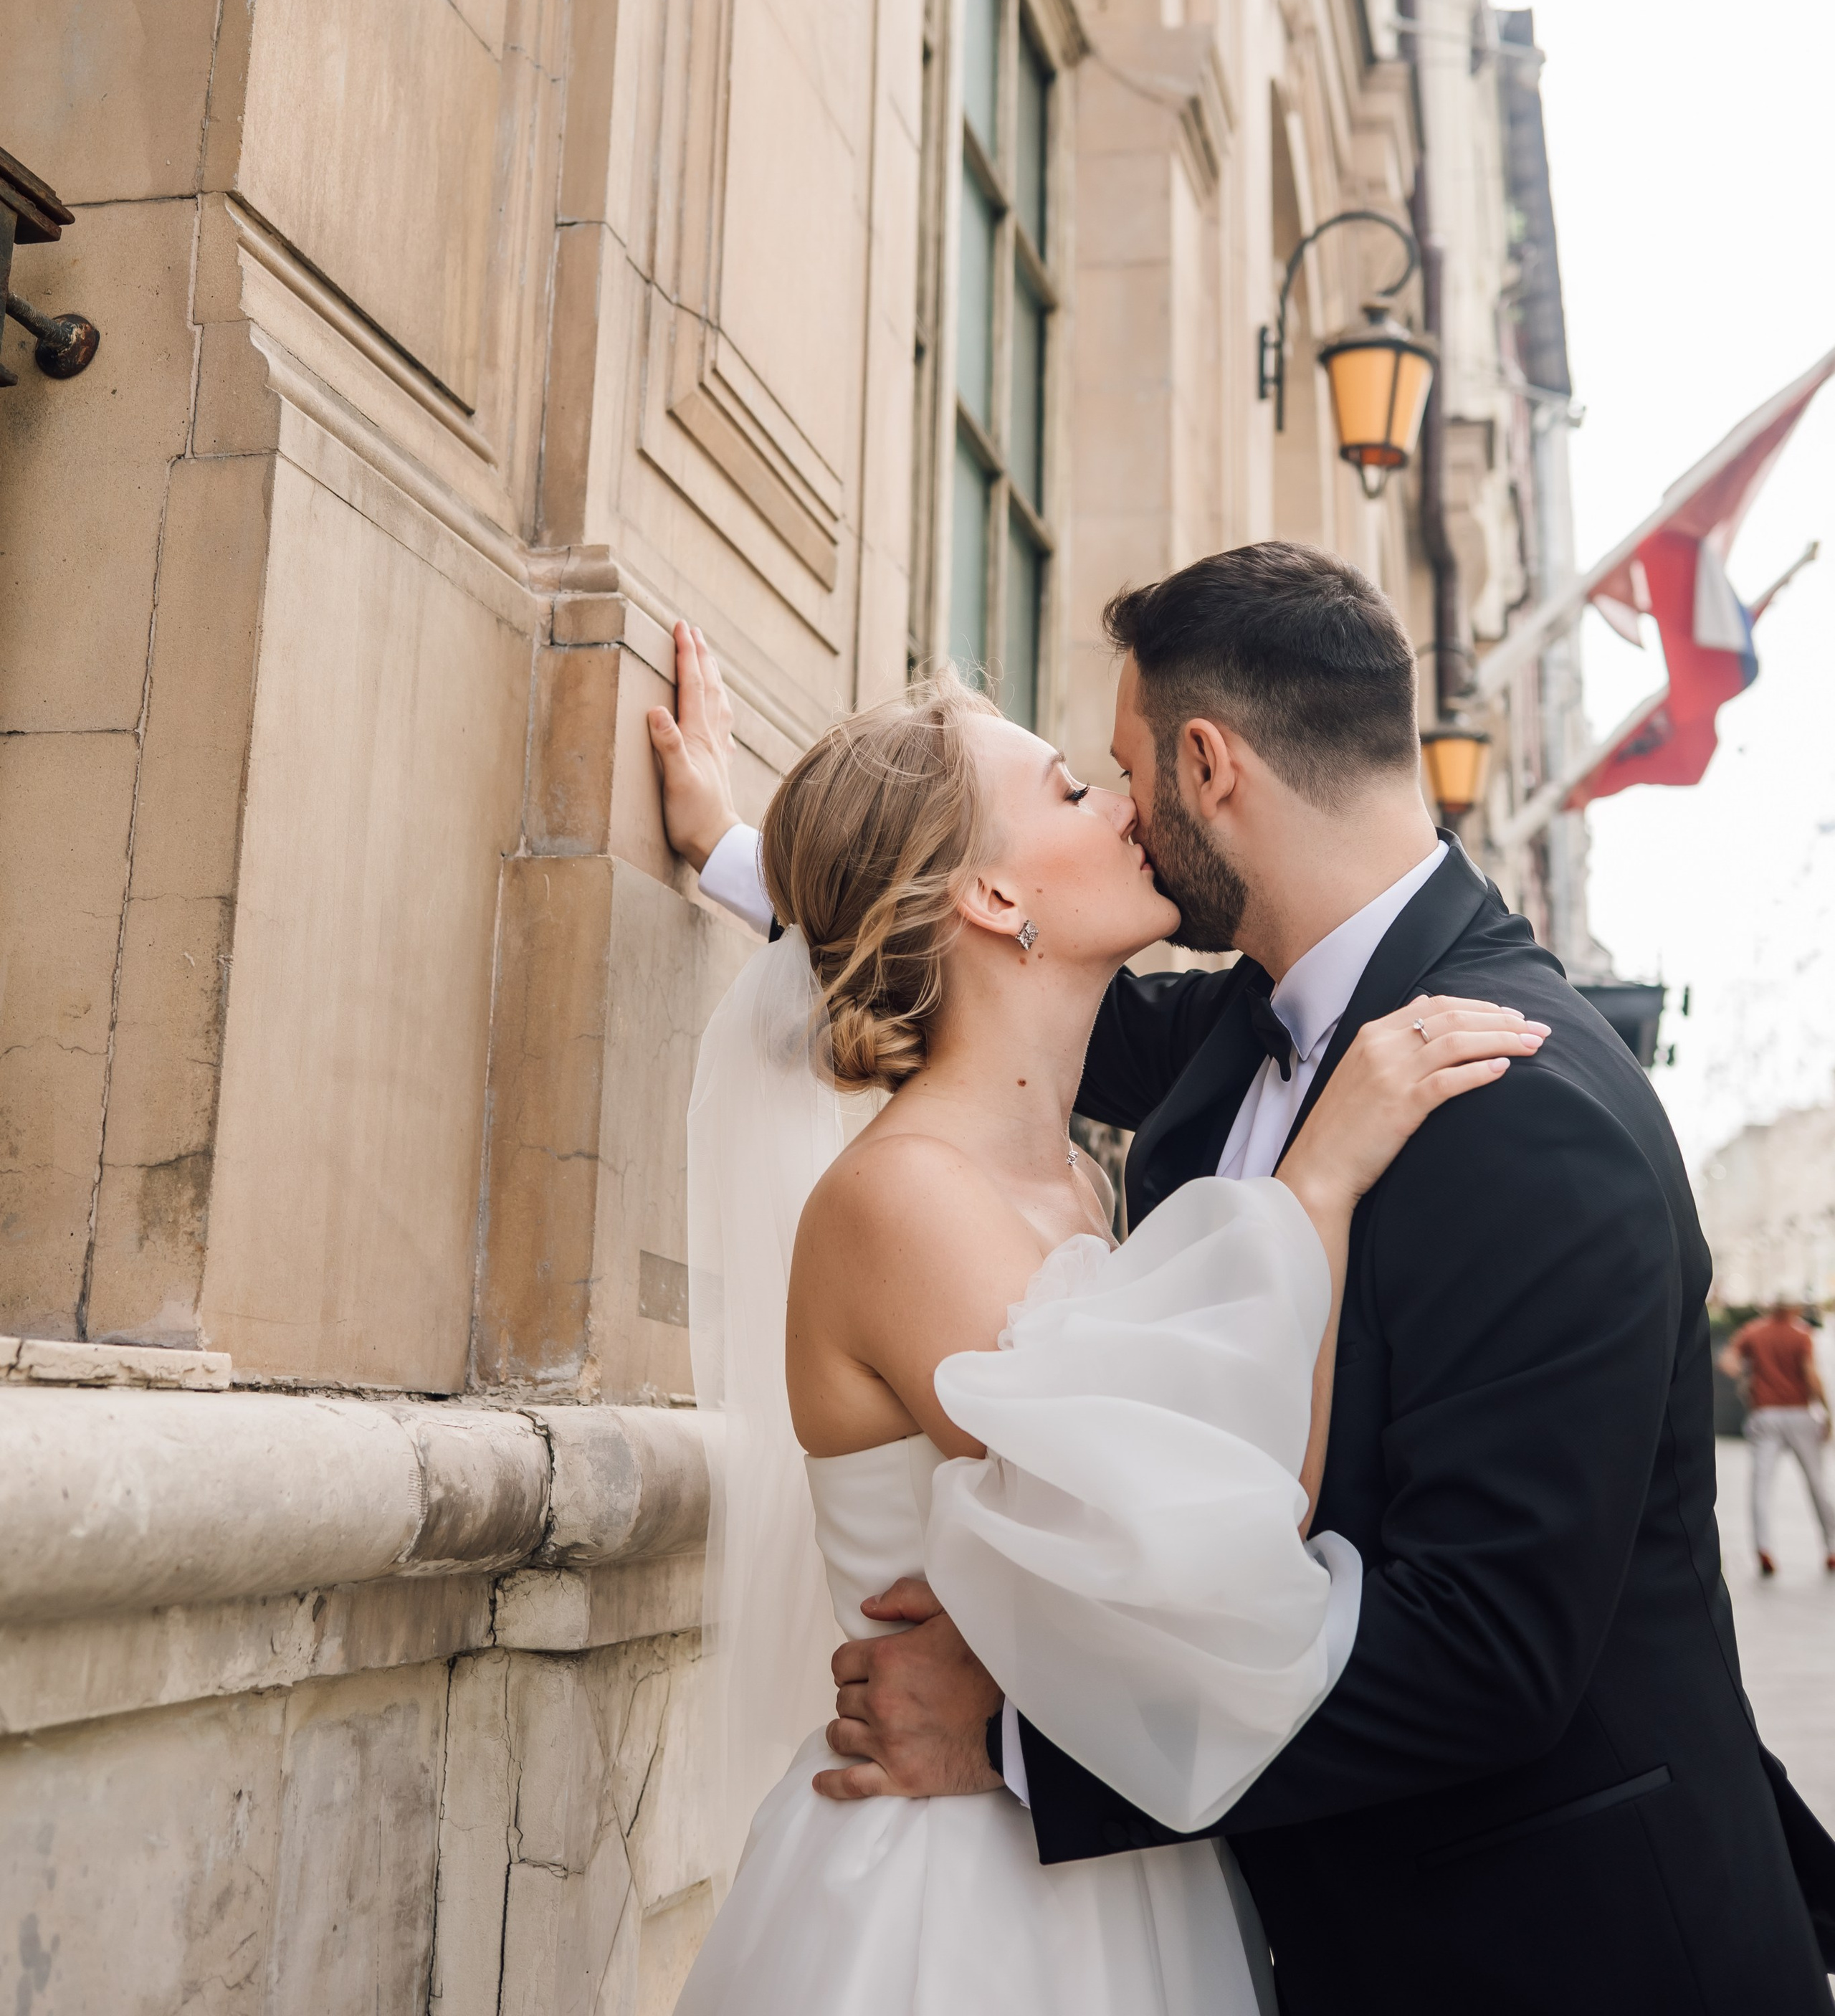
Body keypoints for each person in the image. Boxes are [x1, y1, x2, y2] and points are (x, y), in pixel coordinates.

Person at [654, 544, 1835, 2016]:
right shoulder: (1223, 1042)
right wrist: (738, 852)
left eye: (1118, 773)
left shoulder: (1521, 1104)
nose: (1121, 811)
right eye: (1080, 789)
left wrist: (1018, 1740)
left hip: (1552, 1953)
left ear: (1206, 766)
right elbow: (967, 976)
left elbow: (1484, 1656)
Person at [655, 655, 1541, 2015]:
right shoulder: (900, 1200)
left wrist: (734, 845)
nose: (1133, 808)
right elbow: (1193, 1540)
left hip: (1120, 1863)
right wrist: (1314, 1185)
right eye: (1076, 789)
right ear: (994, 897)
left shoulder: (1074, 1177)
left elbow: (1248, 1499)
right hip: (958, 1905)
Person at [1720, 1298, 1835, 1575]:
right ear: (1793, 1308)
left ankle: (1763, 1547)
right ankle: (1832, 1546)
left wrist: (1749, 1376)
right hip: (1798, 1412)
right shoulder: (1801, 1334)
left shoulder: (1753, 1331)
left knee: (1761, 1483)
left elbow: (1728, 1362)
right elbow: (1810, 1374)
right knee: (1816, 1482)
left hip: (1764, 1414)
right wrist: (1826, 1411)